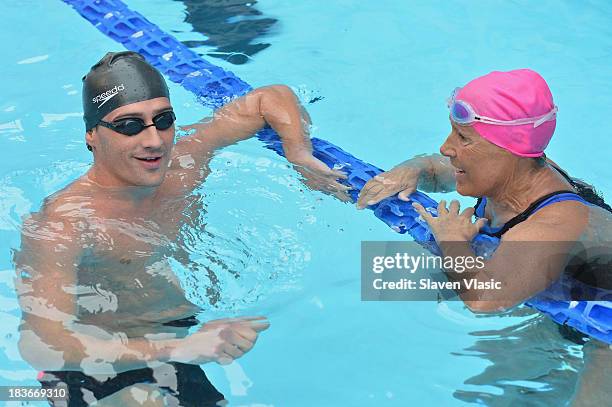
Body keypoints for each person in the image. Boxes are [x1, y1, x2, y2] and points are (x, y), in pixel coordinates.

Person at [13, 51, 349, 406]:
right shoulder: (64, 222)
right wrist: (185, 347)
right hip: (90, 367)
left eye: (163, 119)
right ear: (92, 135)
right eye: (129, 126)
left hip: (172, 344)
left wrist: (299, 154)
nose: (155, 140)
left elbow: (272, 97)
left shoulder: (184, 162)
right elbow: (44, 345)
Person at [356, 69, 612, 405]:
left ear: (511, 150)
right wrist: (413, 168)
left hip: (606, 334)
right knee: (491, 390)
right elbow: (435, 168)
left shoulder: (553, 223)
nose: (446, 147)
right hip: (569, 294)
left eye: (463, 138)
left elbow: (483, 299)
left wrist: (453, 240)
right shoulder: (510, 173)